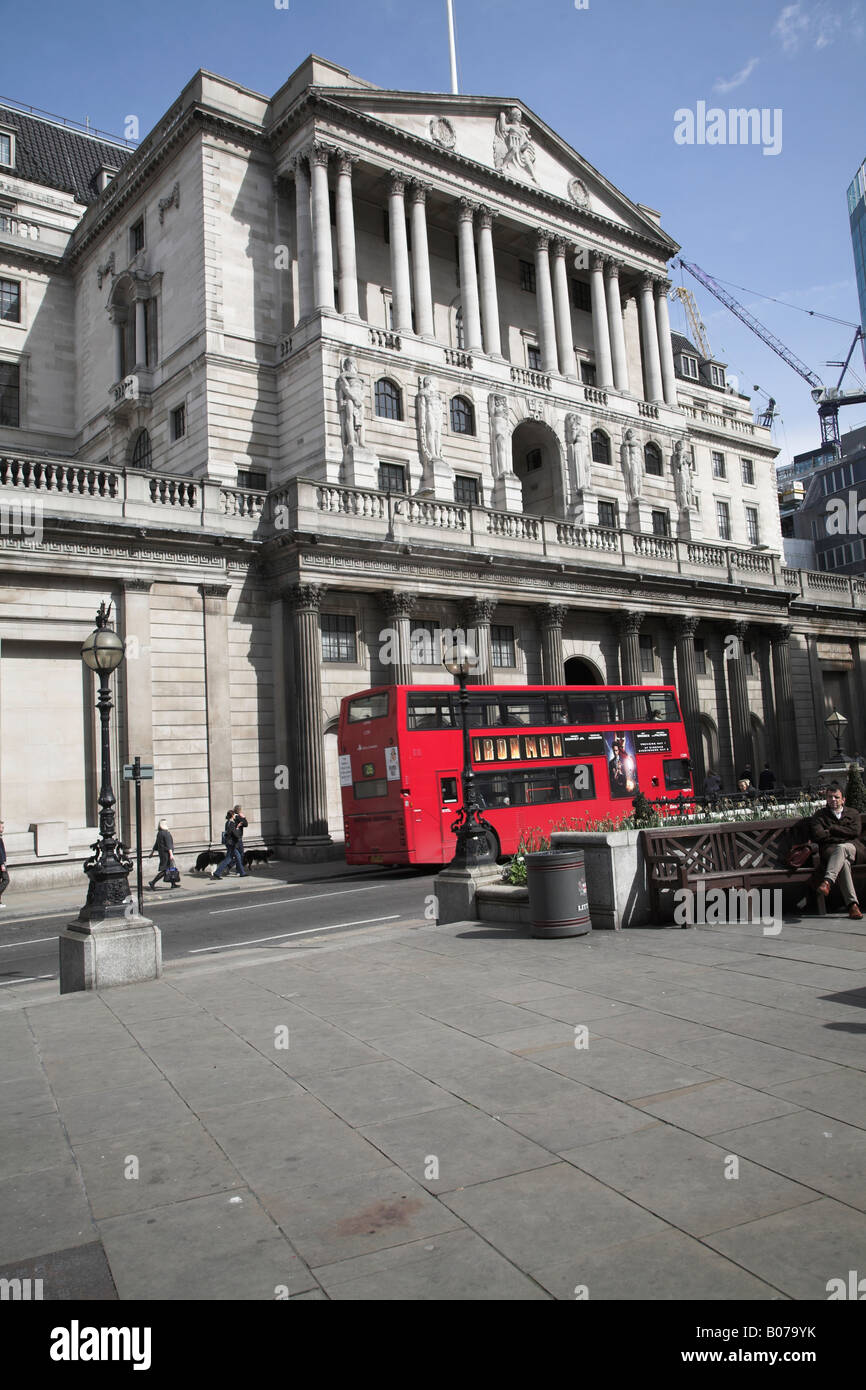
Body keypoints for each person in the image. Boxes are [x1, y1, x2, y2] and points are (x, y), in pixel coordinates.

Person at [809, 784, 865, 920]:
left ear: (843, 799)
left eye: (836, 797)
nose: (833, 800)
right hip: (831, 851)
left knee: (842, 848)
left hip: (853, 848)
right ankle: (852, 906)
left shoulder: (853, 813)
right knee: (843, 863)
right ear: (826, 799)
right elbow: (818, 835)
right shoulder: (819, 816)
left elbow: (855, 832)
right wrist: (843, 834)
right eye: (830, 797)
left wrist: (832, 830)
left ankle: (827, 881)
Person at [211, 806, 249, 880]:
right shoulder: (231, 823)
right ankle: (217, 873)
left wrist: (237, 827)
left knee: (237, 857)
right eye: (234, 815)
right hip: (232, 844)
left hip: (230, 844)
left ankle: (242, 873)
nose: (235, 816)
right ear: (232, 816)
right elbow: (235, 834)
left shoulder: (227, 823)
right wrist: (237, 828)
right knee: (228, 859)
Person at [148, 820, 179, 890]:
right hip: (167, 854)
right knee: (165, 870)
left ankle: (173, 884)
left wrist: (152, 853)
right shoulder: (166, 833)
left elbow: (156, 844)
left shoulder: (159, 833)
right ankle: (152, 882)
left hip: (162, 853)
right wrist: (171, 854)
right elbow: (169, 845)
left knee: (170, 869)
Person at [0, 818, 8, 909]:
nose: (3, 829)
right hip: (0, 863)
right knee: (6, 880)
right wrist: (2, 864)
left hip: (1, 862)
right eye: (1, 827)